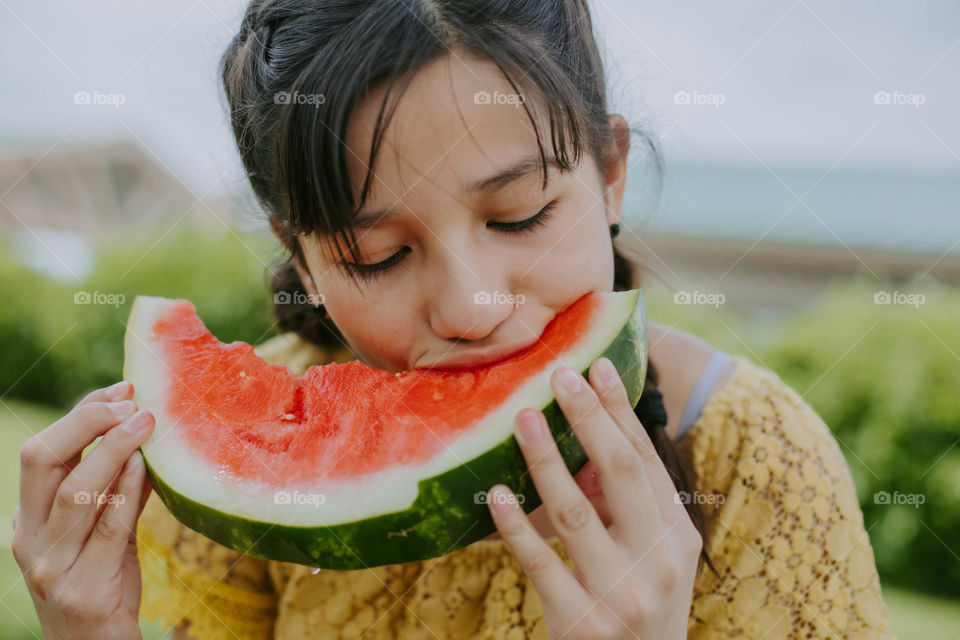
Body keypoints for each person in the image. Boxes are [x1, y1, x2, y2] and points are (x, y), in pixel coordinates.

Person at [14, 0, 897, 637]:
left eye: (520, 216)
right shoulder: (257, 469)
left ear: (609, 173)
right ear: (304, 258)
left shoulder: (759, 464)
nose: (473, 309)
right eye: (377, 256)